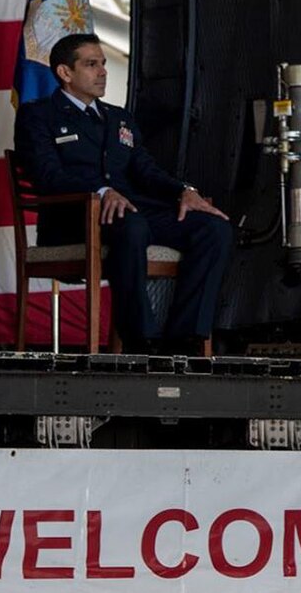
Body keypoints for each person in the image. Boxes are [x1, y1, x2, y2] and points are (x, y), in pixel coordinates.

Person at [14, 33, 232, 353]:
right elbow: (47, 175)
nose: (103, 71)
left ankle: (185, 337)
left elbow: (145, 170)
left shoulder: (118, 117)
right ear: (65, 73)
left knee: (214, 229)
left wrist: (185, 190)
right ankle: (140, 339)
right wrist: (101, 191)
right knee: (132, 225)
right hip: (74, 219)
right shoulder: (39, 115)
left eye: (103, 64)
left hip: (131, 211)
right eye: (91, 64)